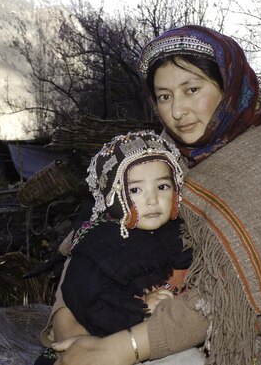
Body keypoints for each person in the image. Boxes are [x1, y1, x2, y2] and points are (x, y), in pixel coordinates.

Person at [44, 25, 261, 365]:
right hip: (132, 326)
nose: (177, 111)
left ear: (229, 88)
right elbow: (95, 234)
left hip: (243, 350)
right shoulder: (161, 155)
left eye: (192, 89)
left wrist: (120, 347)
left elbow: (230, 295)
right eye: (164, 96)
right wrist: (68, 319)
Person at [34, 130, 192, 364]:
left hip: (160, 342)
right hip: (101, 346)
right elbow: (86, 302)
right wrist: (139, 307)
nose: (152, 200)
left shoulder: (183, 235)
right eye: (135, 190)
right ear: (113, 197)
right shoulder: (98, 245)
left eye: (162, 187)